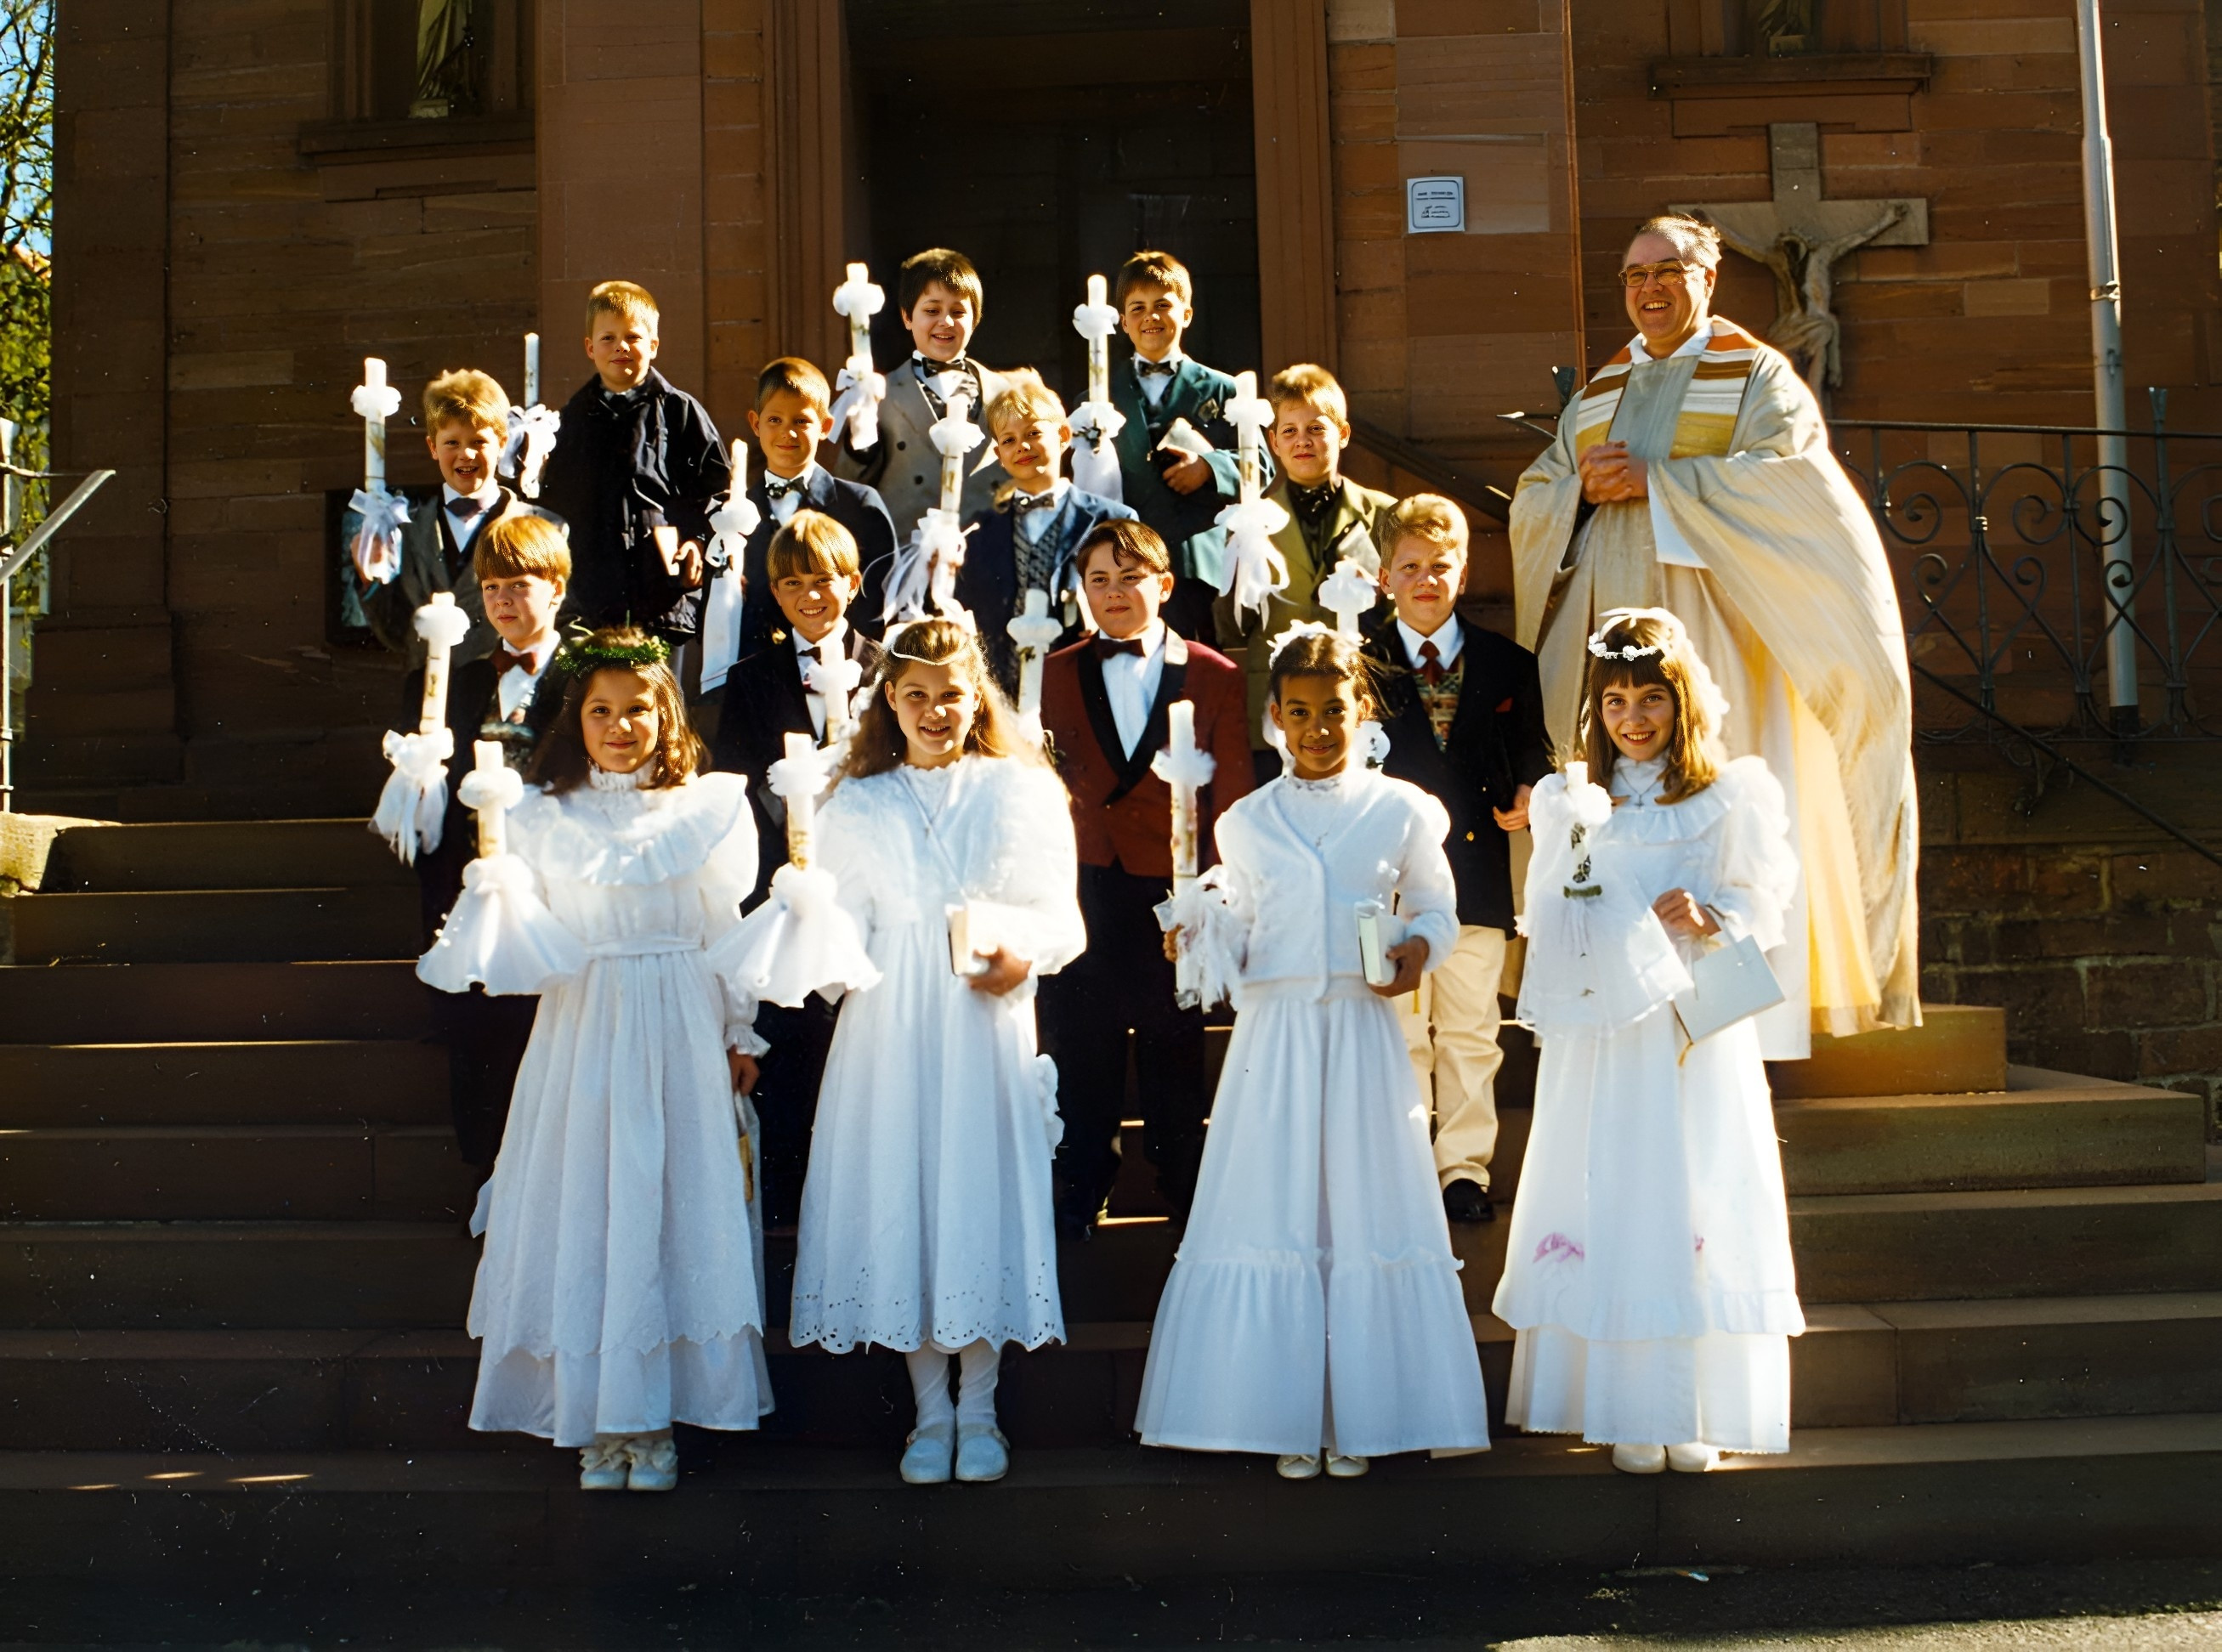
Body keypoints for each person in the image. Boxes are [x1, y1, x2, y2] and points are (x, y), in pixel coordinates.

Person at [1509, 212, 1919, 1052]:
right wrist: (1578, 493)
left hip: (1714, 636)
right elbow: (1539, 494)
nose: (1649, 289)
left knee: (1716, 817)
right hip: (1607, 638)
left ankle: (1741, 1027)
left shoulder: (1759, 378)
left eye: (1667, 271)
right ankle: (1602, 1003)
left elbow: (1794, 486)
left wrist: (1662, 482)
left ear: (1707, 277)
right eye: (1633, 275)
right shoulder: (1597, 393)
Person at [1139, 630, 1490, 1479]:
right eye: (1300, 713)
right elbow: (1240, 931)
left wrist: (1414, 952)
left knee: (1362, 1208)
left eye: (1334, 711)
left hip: (1363, 1034)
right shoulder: (1245, 822)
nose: (1318, 729)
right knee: (1279, 1207)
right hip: (1278, 1036)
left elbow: (1437, 910)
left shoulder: (1401, 810)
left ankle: (1360, 1414)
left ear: (1360, 713)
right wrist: (1198, 938)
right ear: (1275, 719)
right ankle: (1283, 1411)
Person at [439, 627, 770, 1491]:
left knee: (669, 1207)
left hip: (681, 1020)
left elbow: (724, 929)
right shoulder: (541, 816)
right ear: (575, 722)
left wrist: (740, 1030)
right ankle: (595, 1418)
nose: (619, 727)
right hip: (584, 1024)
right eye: (600, 712)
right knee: (590, 1210)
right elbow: (525, 936)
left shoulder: (707, 808)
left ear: (667, 717)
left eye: (638, 711)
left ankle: (653, 1419)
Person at [1494, 607, 1803, 1475]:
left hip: (1691, 1029)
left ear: (1681, 703)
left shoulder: (1727, 795)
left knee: (1692, 1190)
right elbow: (1557, 907)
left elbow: (1764, 897)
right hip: (1608, 1035)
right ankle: (1628, 1407)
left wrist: (1715, 917)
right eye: (1618, 701)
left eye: (1651, 700)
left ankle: (1693, 1407)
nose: (1634, 719)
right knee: (1617, 1196)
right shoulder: (1574, 803)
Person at [789, 618, 1085, 1486]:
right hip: (888, 1021)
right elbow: (839, 925)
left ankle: (983, 1404)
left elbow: (1060, 918)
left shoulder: (1021, 790)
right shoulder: (857, 799)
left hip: (982, 1017)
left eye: (951, 693)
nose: (933, 710)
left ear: (976, 696)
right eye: (914, 693)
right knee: (904, 1196)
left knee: (975, 1195)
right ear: (887, 698)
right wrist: (807, 917)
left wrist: (1020, 956)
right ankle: (930, 1411)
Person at [1037, 519, 1253, 1233]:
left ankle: (1182, 1186)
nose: (1115, 593)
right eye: (1098, 580)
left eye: (1130, 577)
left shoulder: (1214, 674)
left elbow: (1236, 801)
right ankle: (1082, 1182)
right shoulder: (1057, 671)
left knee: (1173, 1046)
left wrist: (1218, 894)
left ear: (1164, 584)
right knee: (1082, 1044)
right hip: (1089, 885)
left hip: (1176, 891)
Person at [1363, 495, 1554, 1226]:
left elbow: (1535, 746)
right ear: (1384, 577)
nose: (1425, 580)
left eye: (1439, 566)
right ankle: (1408, 1165)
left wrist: (1533, 786)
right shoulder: (1359, 658)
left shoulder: (1508, 663)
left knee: (1471, 1030)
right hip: (1393, 884)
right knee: (1405, 1031)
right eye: (1409, 568)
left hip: (1475, 875)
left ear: (1463, 573)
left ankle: (1463, 1170)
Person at [708, 508, 885, 1226]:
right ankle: (788, 1232)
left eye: (824, 580)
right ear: (774, 596)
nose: (810, 597)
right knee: (791, 1070)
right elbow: (735, 788)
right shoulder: (751, 681)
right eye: (792, 585)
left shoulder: (889, 667)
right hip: (786, 892)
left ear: (851, 583)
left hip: (869, 897)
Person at [406, 512, 574, 1174]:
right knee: (480, 1052)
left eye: (521, 584)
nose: (503, 599)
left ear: (557, 588)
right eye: (492, 586)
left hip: (556, 894)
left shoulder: (586, 676)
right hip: (478, 892)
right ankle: (488, 1190)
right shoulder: (463, 680)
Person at [1214, 364, 1397, 780]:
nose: (1303, 441)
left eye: (1316, 428)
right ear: (1273, 442)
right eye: (1290, 431)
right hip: (1279, 713)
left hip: (1355, 703)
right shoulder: (1249, 522)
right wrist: (1238, 579)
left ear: (1343, 434)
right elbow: (1231, 630)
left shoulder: (1384, 514)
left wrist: (1378, 594)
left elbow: (1406, 614)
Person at [536, 280, 733, 641]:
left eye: (633, 337)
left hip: (664, 593)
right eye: (608, 338)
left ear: (654, 345)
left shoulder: (679, 412)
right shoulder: (572, 420)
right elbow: (554, 502)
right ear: (589, 348)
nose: (621, 347)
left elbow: (718, 491)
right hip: (593, 595)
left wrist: (698, 540)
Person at [355, 368, 563, 667]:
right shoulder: (405, 529)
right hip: (428, 700)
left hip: (506, 701)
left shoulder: (547, 529)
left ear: (502, 443)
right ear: (433, 447)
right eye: (452, 442)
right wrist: (370, 580)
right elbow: (397, 634)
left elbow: (568, 627)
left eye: (478, 442)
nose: (465, 454)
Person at [955, 371, 1134, 696]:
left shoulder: (1112, 520)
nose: (1021, 446)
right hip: (1001, 691)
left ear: (1064, 435)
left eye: (1033, 432)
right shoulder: (978, 531)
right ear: (999, 456)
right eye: (1008, 440)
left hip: (1087, 686)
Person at [1102, 249, 1250, 642]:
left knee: (1193, 667)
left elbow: (1260, 460)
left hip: (1193, 560)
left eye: (1163, 305)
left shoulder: (1223, 388)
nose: (1150, 316)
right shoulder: (1099, 394)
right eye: (1138, 308)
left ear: (1186, 314)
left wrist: (1209, 467)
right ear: (1123, 322)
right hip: (1126, 561)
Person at [833, 248, 1011, 545]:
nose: (946, 322)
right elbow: (850, 483)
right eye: (932, 311)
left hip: (989, 555)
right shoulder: (880, 394)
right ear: (907, 317)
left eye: (958, 312)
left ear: (975, 319)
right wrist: (860, 436)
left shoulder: (1005, 393)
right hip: (909, 557)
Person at [729, 357, 899, 658]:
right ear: (756, 423)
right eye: (774, 420)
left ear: (825, 426)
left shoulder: (859, 505)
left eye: (801, 421)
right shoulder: (733, 513)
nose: (788, 432)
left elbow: (879, 605)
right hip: (761, 674)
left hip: (844, 668)